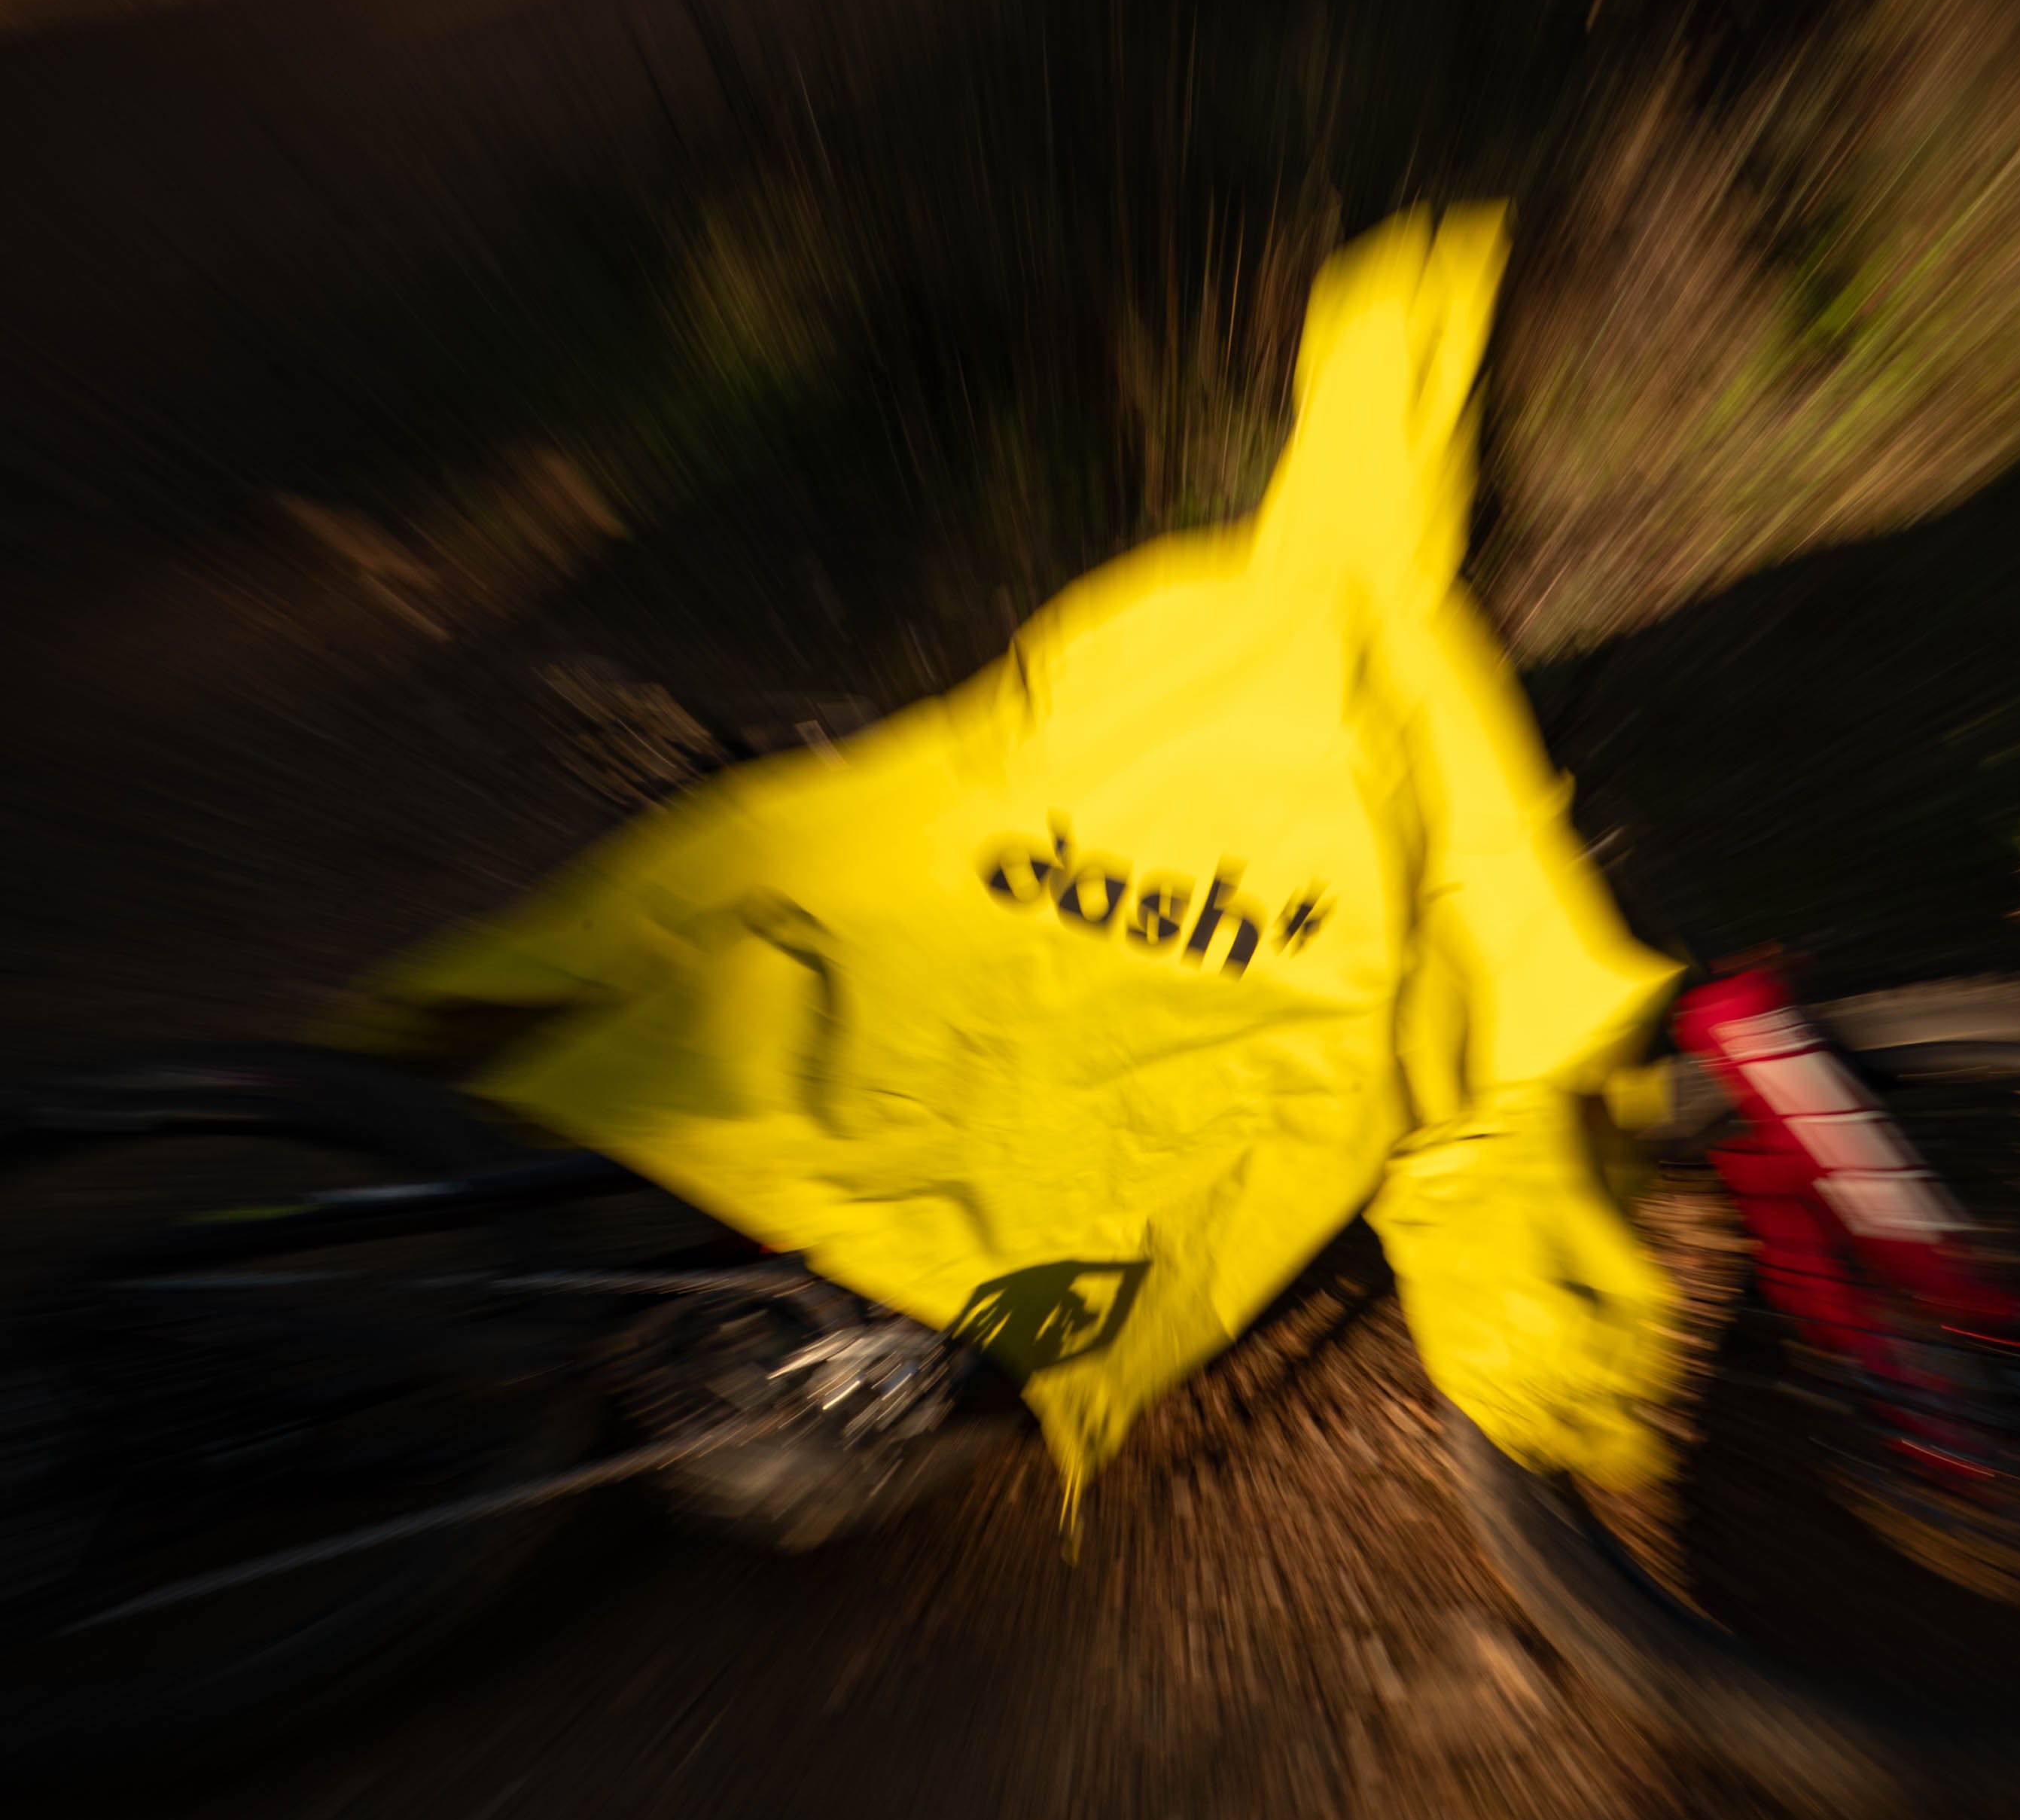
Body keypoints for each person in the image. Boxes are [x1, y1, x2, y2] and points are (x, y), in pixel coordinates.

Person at [332, 208, 1679, 1512]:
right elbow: (1519, 1004)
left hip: (965, 958)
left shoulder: (1171, 599)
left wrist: (542, 965)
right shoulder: (1442, 701)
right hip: (1139, 1084)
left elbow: (957, 767)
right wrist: (1547, 1363)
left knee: (802, 1010)